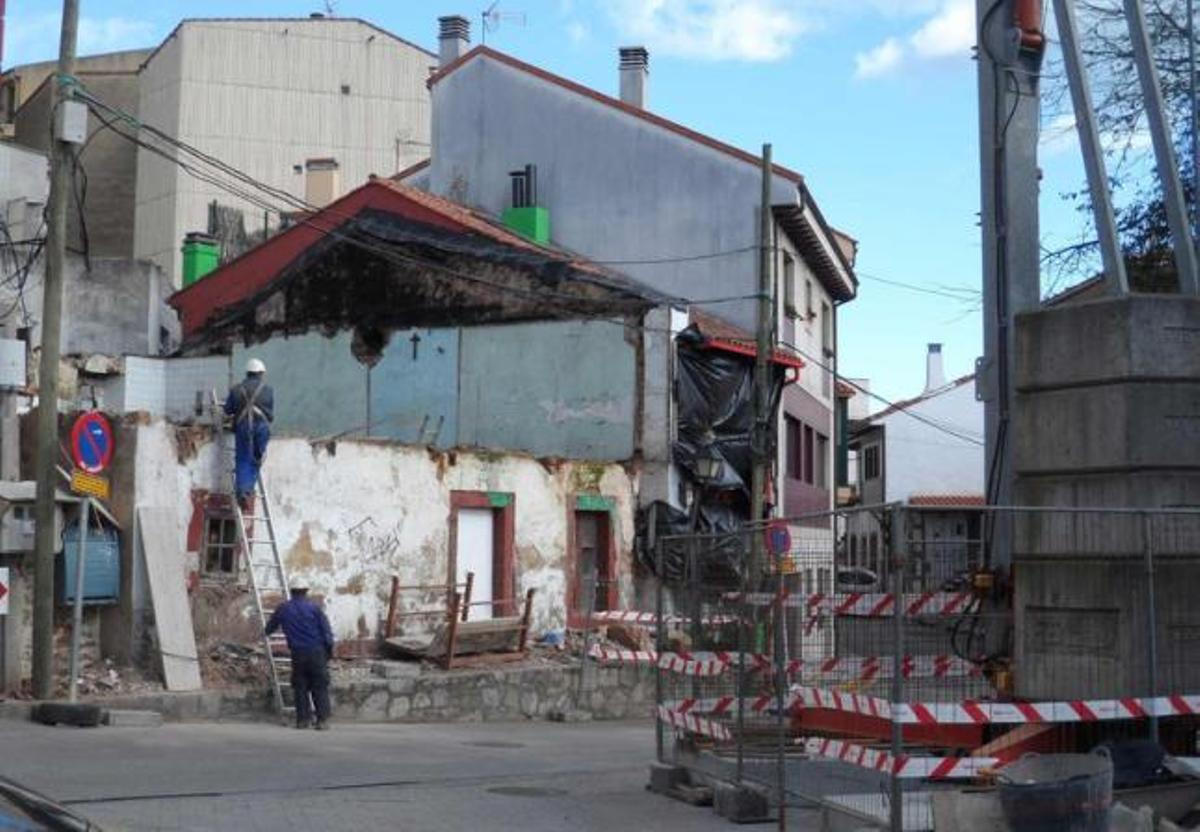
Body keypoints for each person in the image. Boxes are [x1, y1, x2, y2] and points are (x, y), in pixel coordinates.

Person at [265, 582, 335, 730]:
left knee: (300, 686)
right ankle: (322, 720)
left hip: (298, 653)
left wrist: (266, 633)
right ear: (306, 592)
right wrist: (329, 652)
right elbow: (327, 632)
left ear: (292, 592)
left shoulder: (283, 609)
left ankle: (302, 720)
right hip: (317, 651)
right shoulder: (315, 608)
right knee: (319, 685)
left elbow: (269, 628)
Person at [224, 358, 274, 509]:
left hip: (244, 428)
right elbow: (271, 414)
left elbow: (227, 410)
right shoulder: (268, 390)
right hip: (262, 428)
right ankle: (248, 489)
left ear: (247, 373)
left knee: (243, 459)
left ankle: (244, 492)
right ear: (261, 373)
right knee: (257, 459)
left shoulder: (236, 390)